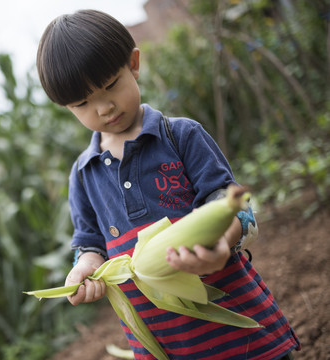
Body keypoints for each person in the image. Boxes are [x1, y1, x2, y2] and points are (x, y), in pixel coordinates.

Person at [36, 9, 300, 360]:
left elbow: (233, 205)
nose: (104, 107)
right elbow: (89, 243)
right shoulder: (84, 174)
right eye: (83, 103)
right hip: (164, 340)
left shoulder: (181, 136)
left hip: (239, 330)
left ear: (133, 64)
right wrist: (84, 269)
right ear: (66, 107)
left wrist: (222, 243)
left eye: (111, 85)